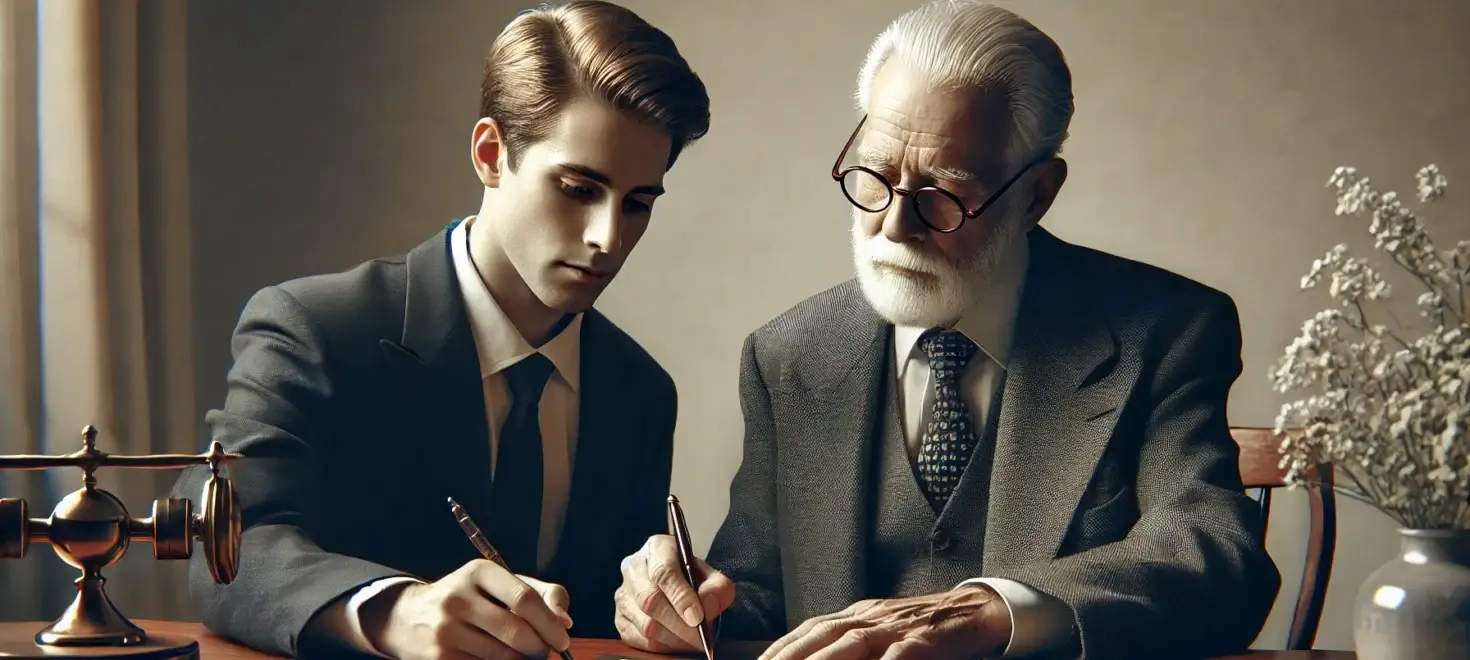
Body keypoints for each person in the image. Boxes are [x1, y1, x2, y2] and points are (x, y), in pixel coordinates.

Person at [612, 2, 1280, 659]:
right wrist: (685, 602)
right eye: (873, 174)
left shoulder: (1166, 332)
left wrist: (990, 609)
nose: (896, 225)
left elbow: (1216, 559)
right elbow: (757, 599)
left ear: (1037, 194)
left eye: (945, 193)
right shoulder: (787, 355)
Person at [170, 3, 710, 659]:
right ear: (490, 154)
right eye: (576, 188)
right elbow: (227, 546)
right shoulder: (314, 329)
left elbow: (609, 616)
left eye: (638, 203)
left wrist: (655, 605)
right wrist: (393, 611)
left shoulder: (641, 392)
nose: (609, 238)